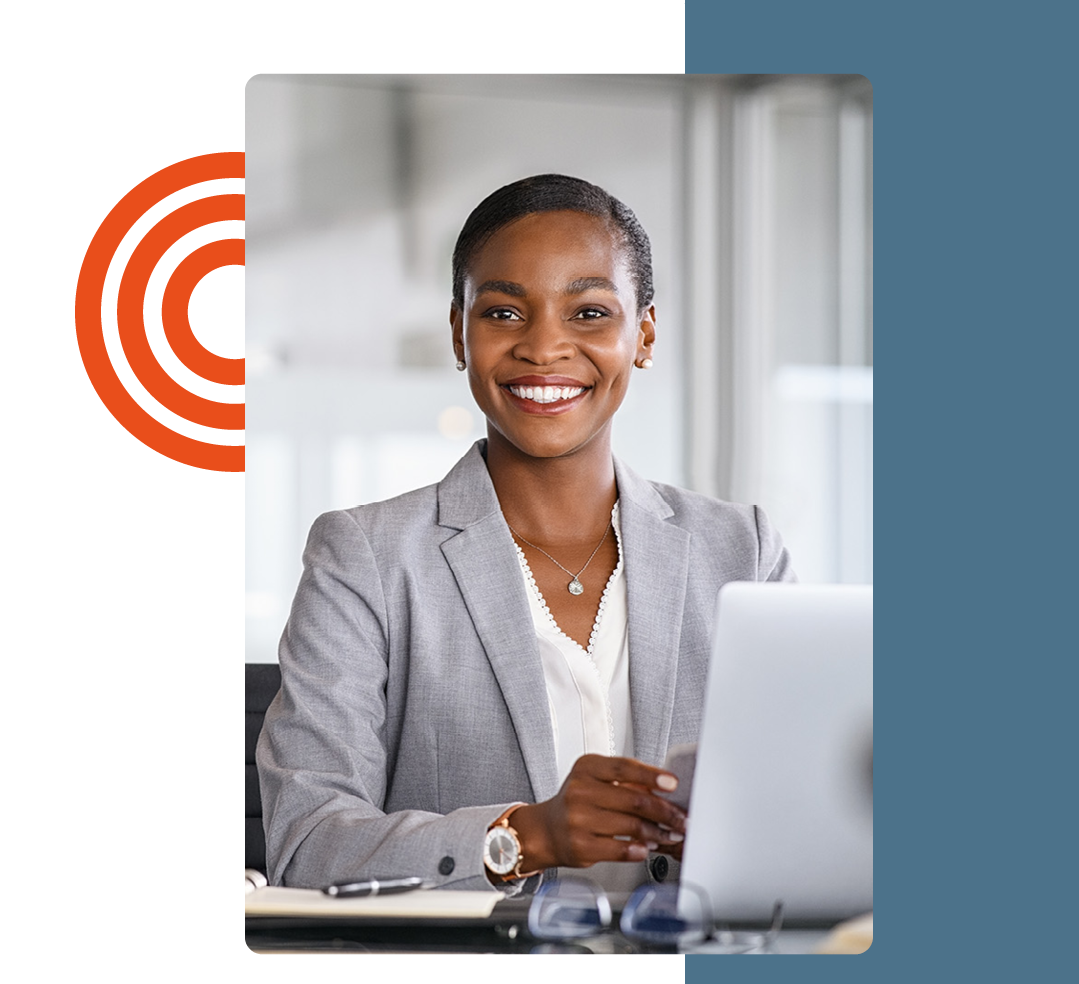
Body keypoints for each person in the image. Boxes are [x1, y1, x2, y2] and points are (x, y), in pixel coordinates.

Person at [257, 174, 794, 893]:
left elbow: (807, 805)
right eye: (505, 312)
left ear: (645, 334)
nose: (544, 347)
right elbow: (309, 839)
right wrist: (526, 835)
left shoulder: (743, 552)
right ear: (460, 334)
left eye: (590, 312)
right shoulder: (368, 559)